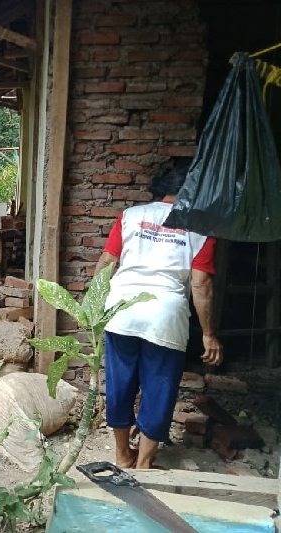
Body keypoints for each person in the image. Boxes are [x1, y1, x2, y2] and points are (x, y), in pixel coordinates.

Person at [95, 161, 223, 470]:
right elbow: (201, 282)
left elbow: (106, 263)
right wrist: (208, 333)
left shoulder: (131, 216)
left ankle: (122, 455)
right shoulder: (200, 227)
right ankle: (144, 464)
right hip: (165, 316)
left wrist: (95, 308)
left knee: (120, 384)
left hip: (121, 310)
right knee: (159, 388)